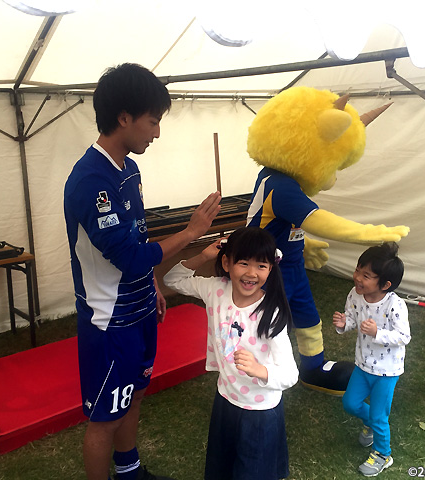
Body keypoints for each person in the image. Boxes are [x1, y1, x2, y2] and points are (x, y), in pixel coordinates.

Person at [63, 63, 222, 480]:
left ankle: (130, 471)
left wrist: (152, 285)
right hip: (108, 321)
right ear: (124, 118)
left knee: (134, 394)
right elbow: (130, 257)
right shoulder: (89, 181)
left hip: (140, 310)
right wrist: (191, 233)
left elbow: (138, 235)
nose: (157, 132)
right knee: (105, 417)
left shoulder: (129, 169)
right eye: (153, 121)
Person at [162, 227, 298, 480]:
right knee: (221, 467)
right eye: (243, 263)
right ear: (226, 263)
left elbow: (291, 374)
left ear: (270, 269)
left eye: (261, 266)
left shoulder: (270, 313)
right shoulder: (216, 290)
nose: (251, 273)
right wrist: (204, 256)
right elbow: (172, 280)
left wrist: (261, 370)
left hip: (259, 409)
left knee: (253, 472)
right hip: (226, 398)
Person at [332, 242, 409, 477]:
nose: (358, 277)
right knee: (350, 403)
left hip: (387, 372)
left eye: (366, 275)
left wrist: (378, 333)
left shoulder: (395, 305)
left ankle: (383, 455)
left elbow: (404, 336)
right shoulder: (355, 294)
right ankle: (371, 425)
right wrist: (344, 324)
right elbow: (352, 318)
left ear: (385, 284)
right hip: (362, 364)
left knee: (379, 416)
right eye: (358, 270)